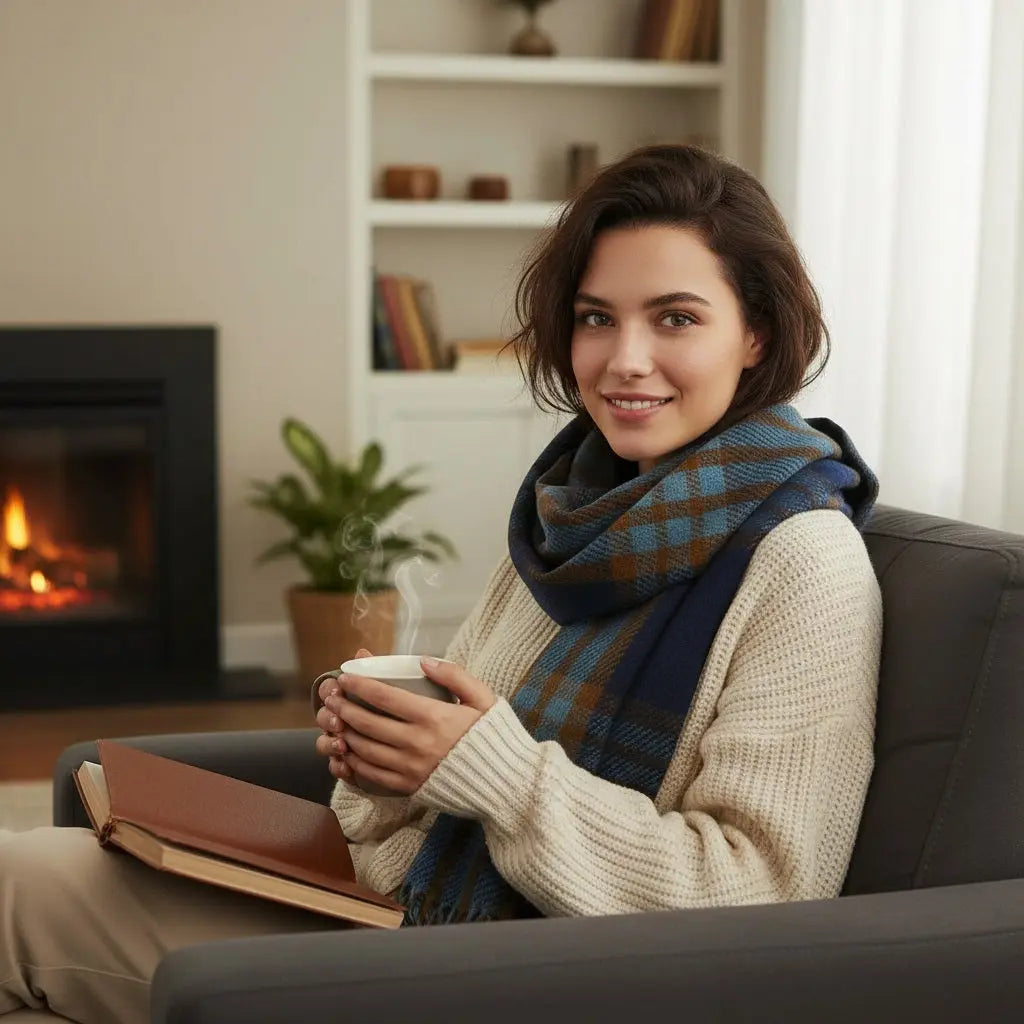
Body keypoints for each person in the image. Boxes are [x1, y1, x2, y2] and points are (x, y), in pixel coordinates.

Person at [0, 144, 881, 1021]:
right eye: (596, 318)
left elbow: (766, 894)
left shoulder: (804, 564)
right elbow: (426, 802)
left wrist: (489, 773)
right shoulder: (567, 516)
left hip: (524, 972)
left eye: (677, 318)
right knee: (18, 876)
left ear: (756, 330)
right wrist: (387, 766)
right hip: (400, 915)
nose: (624, 361)